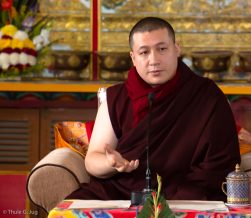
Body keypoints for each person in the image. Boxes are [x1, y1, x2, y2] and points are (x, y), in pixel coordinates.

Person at [67, 17, 240, 201]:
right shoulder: (116, 97)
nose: (154, 60)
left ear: (177, 49)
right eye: (144, 52)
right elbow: (93, 160)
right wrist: (111, 163)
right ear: (133, 57)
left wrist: (179, 194)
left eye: (162, 49)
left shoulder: (206, 95)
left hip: (184, 193)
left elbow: (220, 163)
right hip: (123, 192)